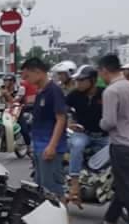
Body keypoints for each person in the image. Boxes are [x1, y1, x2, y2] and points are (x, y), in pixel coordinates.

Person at [94, 54, 129, 224]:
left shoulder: (111, 91)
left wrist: (99, 124)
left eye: (100, 72)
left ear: (104, 70)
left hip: (122, 144)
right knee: (123, 183)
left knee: (127, 186)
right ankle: (110, 220)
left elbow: (109, 122)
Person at [21, 57, 68, 197]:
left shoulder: (54, 91)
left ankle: (62, 218)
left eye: (27, 76)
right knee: (41, 189)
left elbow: (61, 119)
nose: (25, 80)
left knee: (53, 189)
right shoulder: (40, 92)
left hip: (49, 148)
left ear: (38, 72)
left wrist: (52, 146)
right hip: (39, 146)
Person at [65, 65, 107, 204]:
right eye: (78, 80)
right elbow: (62, 110)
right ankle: (75, 183)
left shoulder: (105, 93)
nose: (79, 83)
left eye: (82, 80)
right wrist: (69, 122)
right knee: (77, 145)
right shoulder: (74, 95)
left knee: (118, 150)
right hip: (83, 133)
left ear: (93, 80)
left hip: (104, 135)